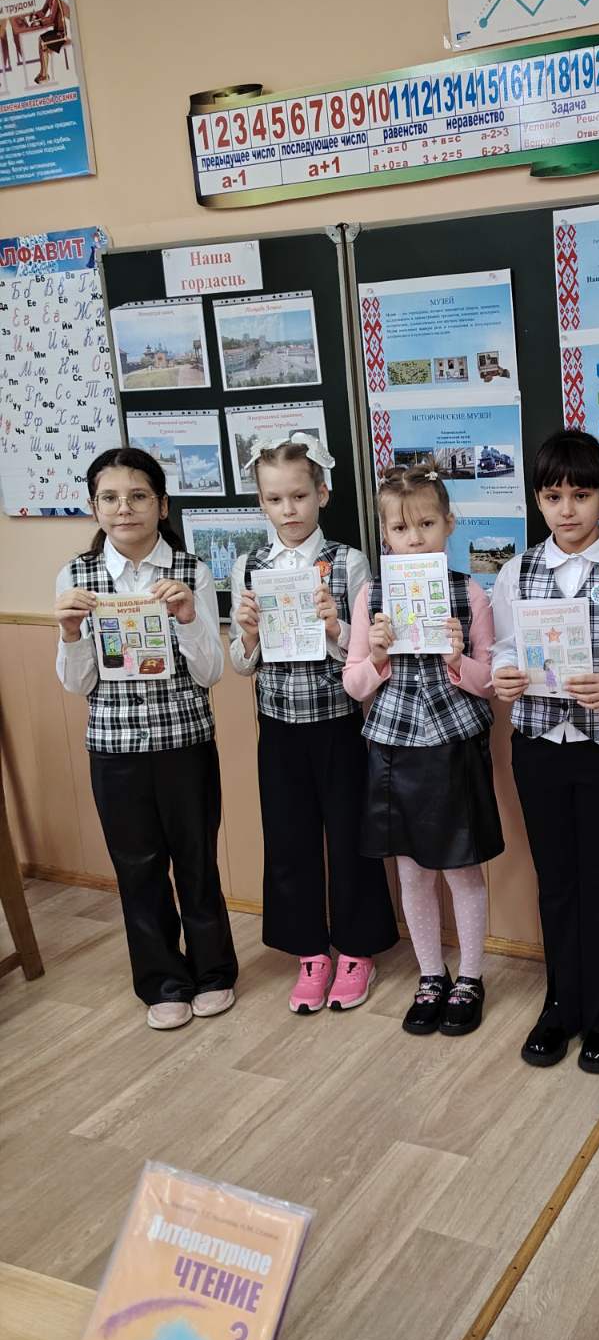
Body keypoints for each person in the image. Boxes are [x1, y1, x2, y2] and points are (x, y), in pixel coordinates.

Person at [491, 430, 599, 1073]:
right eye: (553, 497)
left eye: (581, 495)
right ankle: (560, 1002)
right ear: (538, 499)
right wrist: (504, 674)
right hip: (537, 745)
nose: (567, 510)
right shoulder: (516, 571)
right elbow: (504, 648)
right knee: (556, 879)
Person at [54, 448, 237, 1030]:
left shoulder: (191, 570)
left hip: (185, 742)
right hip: (115, 749)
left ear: (161, 505)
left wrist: (188, 618)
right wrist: (69, 633)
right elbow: (76, 683)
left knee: (197, 862)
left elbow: (210, 672)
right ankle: (162, 982)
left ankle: (214, 972)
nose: (123, 508)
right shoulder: (76, 576)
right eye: (109, 498)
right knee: (137, 869)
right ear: (94, 507)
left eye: (137, 496)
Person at [229, 434, 397, 1014]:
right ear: (261, 503)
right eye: (274, 499)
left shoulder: (349, 562)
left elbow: (364, 656)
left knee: (351, 836)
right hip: (278, 725)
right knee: (289, 837)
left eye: (299, 496)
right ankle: (309, 951)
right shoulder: (250, 565)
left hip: (339, 723)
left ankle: (357, 948)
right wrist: (248, 635)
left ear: (322, 493)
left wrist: (334, 627)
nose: (288, 509)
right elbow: (242, 664)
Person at [343, 463, 501, 1037]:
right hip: (393, 745)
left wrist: (458, 660)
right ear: (385, 534)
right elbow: (354, 684)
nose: (414, 539)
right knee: (411, 873)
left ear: (448, 524)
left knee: (461, 868)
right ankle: (431, 974)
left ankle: (471, 978)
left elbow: (491, 682)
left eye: (427, 524)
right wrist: (378, 657)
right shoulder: (372, 594)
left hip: (453, 743)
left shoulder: (470, 591)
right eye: (400, 528)